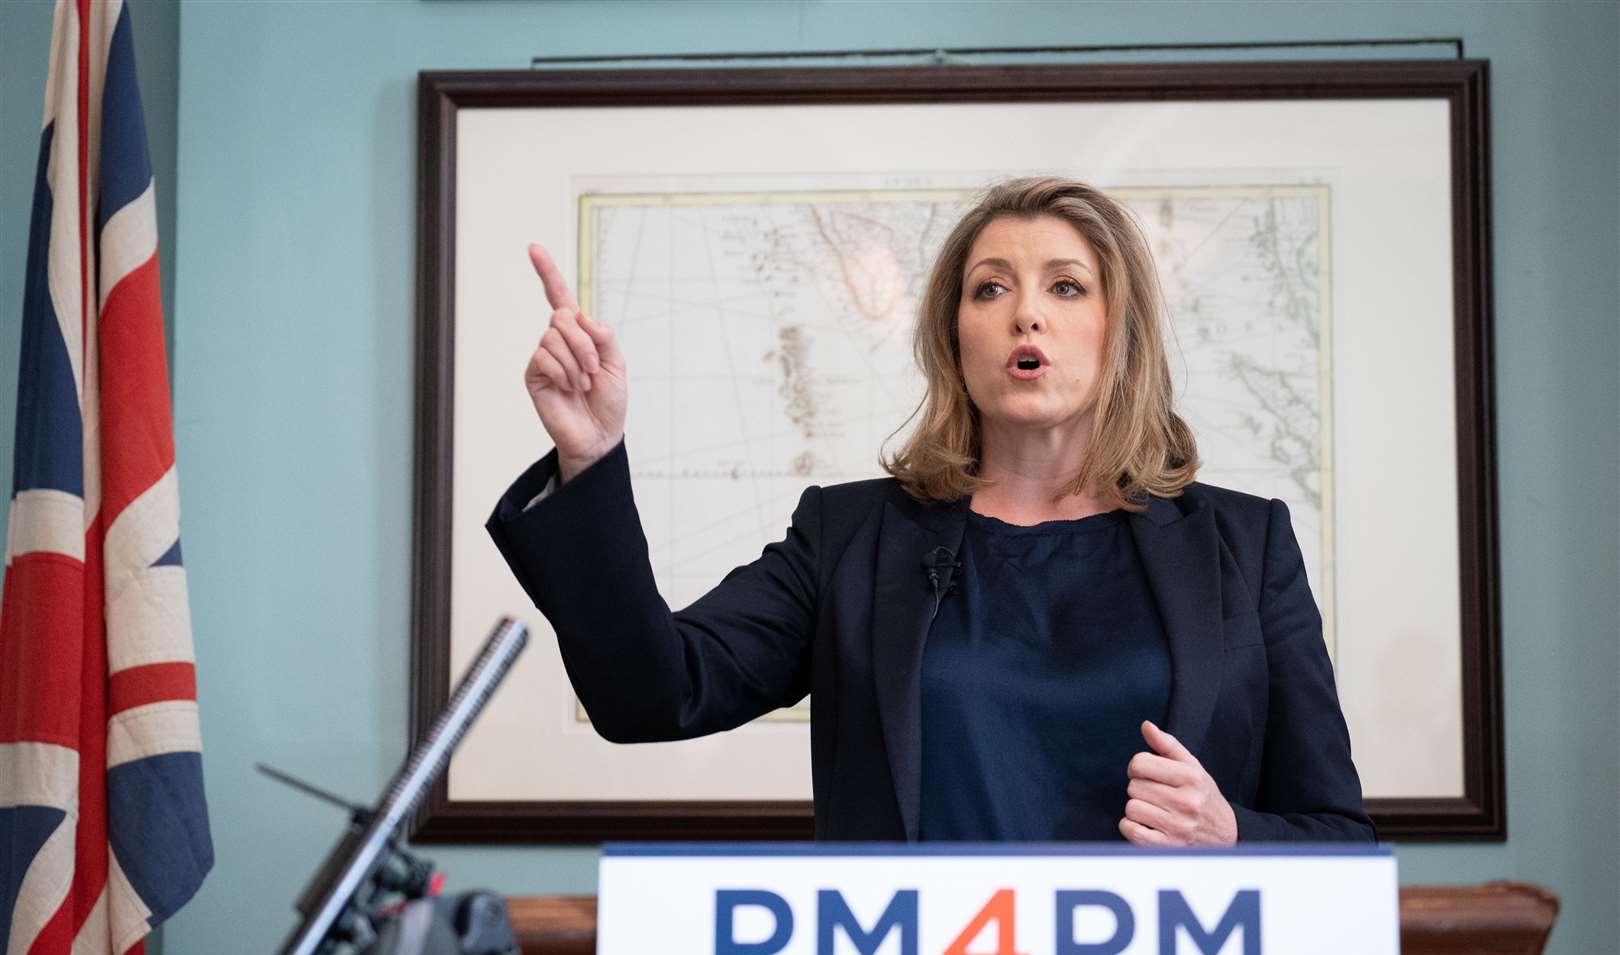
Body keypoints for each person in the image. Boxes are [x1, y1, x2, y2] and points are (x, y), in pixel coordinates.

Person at [487, 176, 1375, 845]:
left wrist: (1231, 838)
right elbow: (651, 695)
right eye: (991, 289)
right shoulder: (850, 540)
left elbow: (1340, 839)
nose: (1026, 312)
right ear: (955, 337)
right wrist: (591, 457)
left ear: (1122, 329)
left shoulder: (1244, 546)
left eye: (1066, 286)